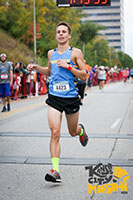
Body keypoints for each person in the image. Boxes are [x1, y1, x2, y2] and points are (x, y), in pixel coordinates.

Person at [27, 22, 88, 183]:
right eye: (58, 32)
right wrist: (36, 67)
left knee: (72, 131)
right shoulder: (50, 54)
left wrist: (69, 67)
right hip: (54, 97)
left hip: (71, 98)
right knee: (55, 132)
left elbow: (84, 76)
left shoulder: (75, 53)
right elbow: (49, 71)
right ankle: (55, 170)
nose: (60, 34)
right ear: (56, 35)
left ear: (69, 36)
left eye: (64, 32)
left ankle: (81, 130)